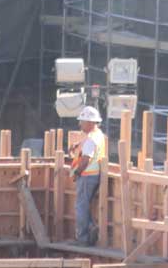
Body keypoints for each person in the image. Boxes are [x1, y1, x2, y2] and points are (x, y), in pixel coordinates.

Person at [68, 105, 106, 246]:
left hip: (87, 176)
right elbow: (89, 144)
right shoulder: (98, 134)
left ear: (90, 122)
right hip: (93, 176)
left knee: (80, 206)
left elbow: (86, 159)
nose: (80, 124)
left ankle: (82, 238)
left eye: (82, 121)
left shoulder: (91, 139)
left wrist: (77, 173)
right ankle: (90, 227)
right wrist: (78, 143)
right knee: (84, 205)